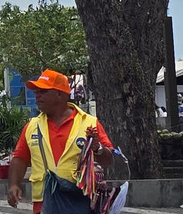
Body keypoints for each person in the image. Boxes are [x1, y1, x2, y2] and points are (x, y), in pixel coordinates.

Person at [7, 69, 113, 213]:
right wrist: (14, 185)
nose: (37, 95)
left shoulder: (89, 123)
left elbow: (108, 159)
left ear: (59, 94)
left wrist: (97, 148)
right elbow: (20, 158)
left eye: (43, 91)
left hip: (79, 203)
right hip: (43, 205)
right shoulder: (32, 126)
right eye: (36, 92)